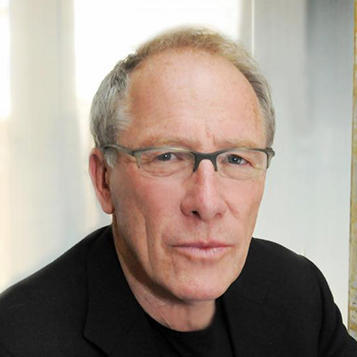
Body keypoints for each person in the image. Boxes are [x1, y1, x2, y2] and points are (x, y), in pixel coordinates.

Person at [0, 26, 356, 357]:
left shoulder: (298, 290)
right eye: (167, 156)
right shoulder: (18, 341)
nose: (207, 202)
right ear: (104, 180)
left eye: (235, 158)